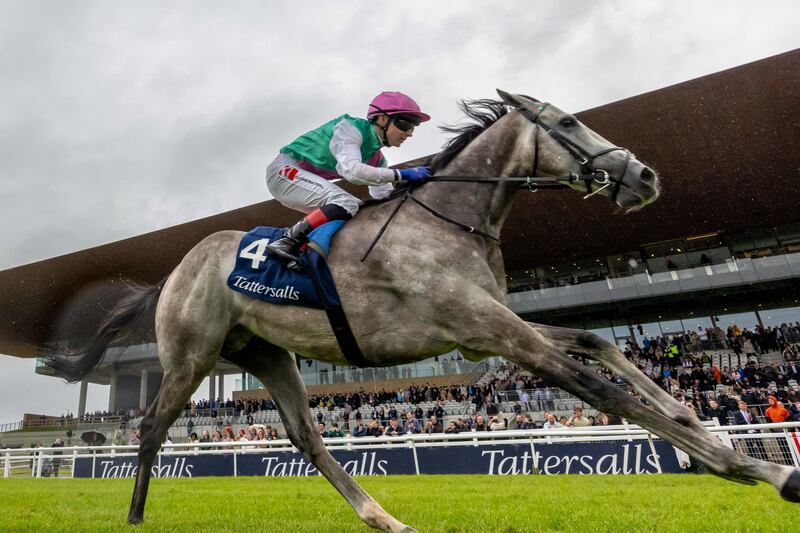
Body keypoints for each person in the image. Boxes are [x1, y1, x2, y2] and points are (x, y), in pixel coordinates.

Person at [264, 91, 432, 270]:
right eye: (405, 123)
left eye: (414, 127)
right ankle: (286, 242)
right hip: (284, 171)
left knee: (359, 211)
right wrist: (402, 174)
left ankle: (309, 251)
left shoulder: (378, 160)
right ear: (382, 119)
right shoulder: (349, 128)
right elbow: (352, 171)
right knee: (347, 203)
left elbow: (384, 200)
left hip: (301, 180)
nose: (410, 133)